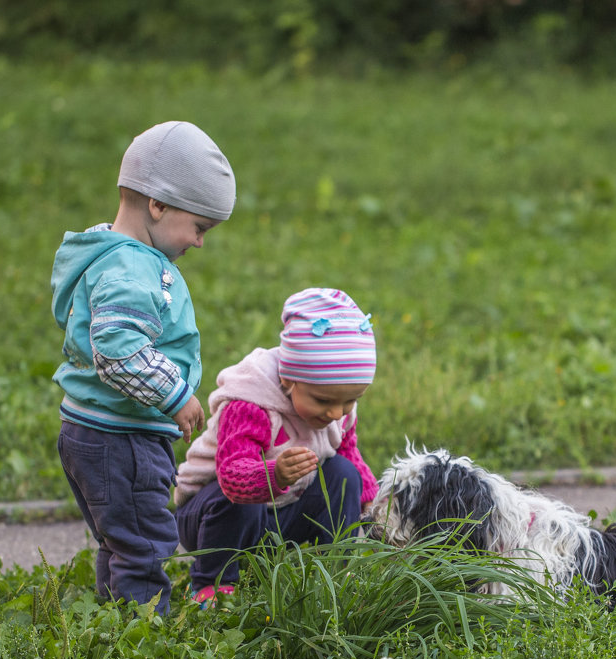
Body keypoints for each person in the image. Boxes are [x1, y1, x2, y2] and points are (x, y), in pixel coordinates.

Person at [51, 121, 236, 614]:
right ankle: (145, 638)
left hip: (91, 430)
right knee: (147, 544)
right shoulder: (132, 267)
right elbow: (117, 350)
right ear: (157, 205)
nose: (199, 242)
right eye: (199, 227)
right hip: (122, 439)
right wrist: (175, 394)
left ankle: (114, 622)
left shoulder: (106, 252)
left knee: (122, 541)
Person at [175, 287, 379, 605]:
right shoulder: (251, 403)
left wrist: (372, 503)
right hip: (210, 519)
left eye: (351, 400)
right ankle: (212, 584)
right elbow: (231, 474)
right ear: (288, 379)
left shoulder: (338, 409)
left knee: (343, 473)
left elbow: (348, 451)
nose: (336, 413)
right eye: (324, 401)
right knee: (239, 498)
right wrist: (275, 475)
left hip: (279, 517)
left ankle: (341, 572)